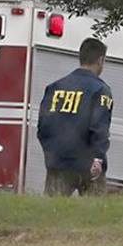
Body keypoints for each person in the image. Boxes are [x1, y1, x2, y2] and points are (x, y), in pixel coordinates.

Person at [37, 37, 113, 196]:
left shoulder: (55, 88)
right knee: (96, 215)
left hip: (58, 163)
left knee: (50, 214)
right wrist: (98, 158)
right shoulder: (100, 90)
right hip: (88, 165)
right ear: (100, 60)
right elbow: (99, 129)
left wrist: (51, 154)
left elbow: (43, 126)